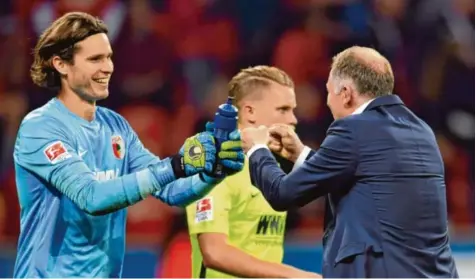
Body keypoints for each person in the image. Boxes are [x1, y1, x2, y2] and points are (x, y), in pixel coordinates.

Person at [13, 12, 244, 278]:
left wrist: (210, 172)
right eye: (95, 59)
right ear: (61, 65)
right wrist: (177, 164)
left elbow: (171, 191)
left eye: (109, 57)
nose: (107, 67)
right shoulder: (40, 128)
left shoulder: (115, 126)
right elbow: (92, 197)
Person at [241, 46, 459, 278]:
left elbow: (282, 193)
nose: (327, 101)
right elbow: (365, 179)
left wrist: (257, 149)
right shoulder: (421, 130)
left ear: (345, 93)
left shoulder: (353, 129)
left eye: (328, 92)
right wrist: (301, 154)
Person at [185, 66, 320, 278]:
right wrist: (297, 276)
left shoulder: (272, 167)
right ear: (250, 112)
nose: (293, 119)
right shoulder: (215, 167)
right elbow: (214, 252)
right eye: (283, 109)